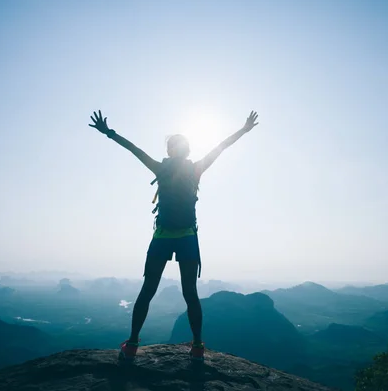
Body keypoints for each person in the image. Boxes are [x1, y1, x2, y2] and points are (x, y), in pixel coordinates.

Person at [88, 109, 260, 362]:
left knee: (148, 289)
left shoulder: (160, 168)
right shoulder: (196, 169)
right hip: (188, 236)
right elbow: (221, 147)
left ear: (169, 151)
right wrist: (244, 130)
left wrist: (109, 133)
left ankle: (133, 343)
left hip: (162, 236)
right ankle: (198, 345)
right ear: (188, 151)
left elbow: (134, 149)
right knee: (190, 292)